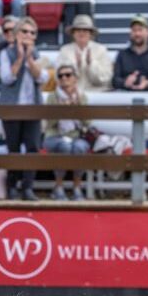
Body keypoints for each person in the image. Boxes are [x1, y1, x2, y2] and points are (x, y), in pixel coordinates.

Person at [0, 15, 46, 200]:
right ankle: (12, 186)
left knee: (33, 147)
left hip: (32, 107)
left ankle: (28, 187)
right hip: (12, 107)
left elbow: (42, 78)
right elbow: (7, 78)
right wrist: (19, 58)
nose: (28, 35)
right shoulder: (6, 53)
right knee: (14, 148)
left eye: (32, 33)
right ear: (17, 33)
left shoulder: (37, 54)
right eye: (25, 31)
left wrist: (30, 60)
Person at [44, 64, 91, 200]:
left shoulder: (82, 97)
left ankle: (77, 187)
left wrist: (77, 107)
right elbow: (49, 123)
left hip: (76, 136)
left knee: (79, 147)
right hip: (55, 136)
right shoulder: (52, 97)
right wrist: (62, 111)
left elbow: (87, 122)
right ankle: (58, 187)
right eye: (60, 76)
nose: (64, 78)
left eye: (68, 75)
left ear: (75, 78)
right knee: (64, 146)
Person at [111, 14, 148, 91]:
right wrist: (124, 83)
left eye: (140, 30)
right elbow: (114, 80)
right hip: (126, 95)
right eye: (134, 30)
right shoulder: (122, 54)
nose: (137, 34)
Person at [56, 14, 112, 94]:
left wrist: (91, 64)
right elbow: (59, 78)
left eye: (85, 30)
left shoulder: (101, 50)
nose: (81, 33)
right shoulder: (65, 50)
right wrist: (75, 66)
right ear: (73, 33)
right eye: (78, 30)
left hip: (97, 94)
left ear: (91, 34)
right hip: (72, 95)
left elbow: (106, 79)